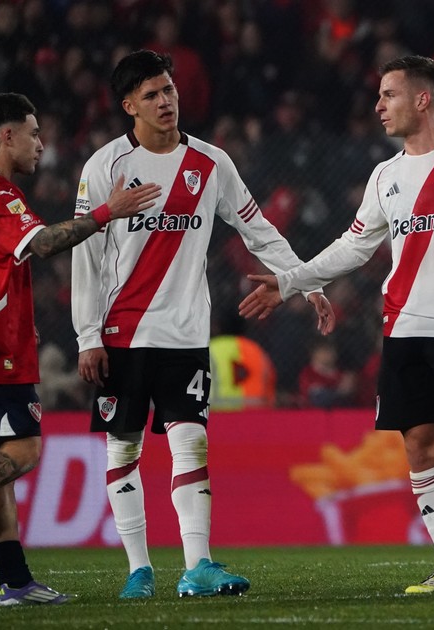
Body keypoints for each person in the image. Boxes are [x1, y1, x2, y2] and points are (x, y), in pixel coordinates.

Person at [239, 55, 434, 593]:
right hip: (402, 331)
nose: (378, 105)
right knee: (420, 447)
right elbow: (354, 246)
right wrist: (290, 282)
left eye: (389, 95)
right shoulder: (385, 175)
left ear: (422, 100)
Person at [71, 50, 333, 599]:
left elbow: (259, 231)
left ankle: (199, 564)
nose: (165, 101)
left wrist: (304, 282)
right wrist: (87, 337)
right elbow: (86, 258)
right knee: (123, 450)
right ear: (128, 106)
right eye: (151, 95)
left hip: (187, 334)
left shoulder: (211, 163)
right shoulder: (104, 167)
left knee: (191, 446)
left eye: (168, 90)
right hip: (122, 335)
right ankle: (139, 570)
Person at [0, 93, 158, 606]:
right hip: (0, 361)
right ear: (6, 136)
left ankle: (16, 582)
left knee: (2, 479)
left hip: (8, 348)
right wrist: (111, 211)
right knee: (23, 451)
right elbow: (44, 244)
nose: (41, 144)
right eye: (33, 133)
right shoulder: (0, 195)